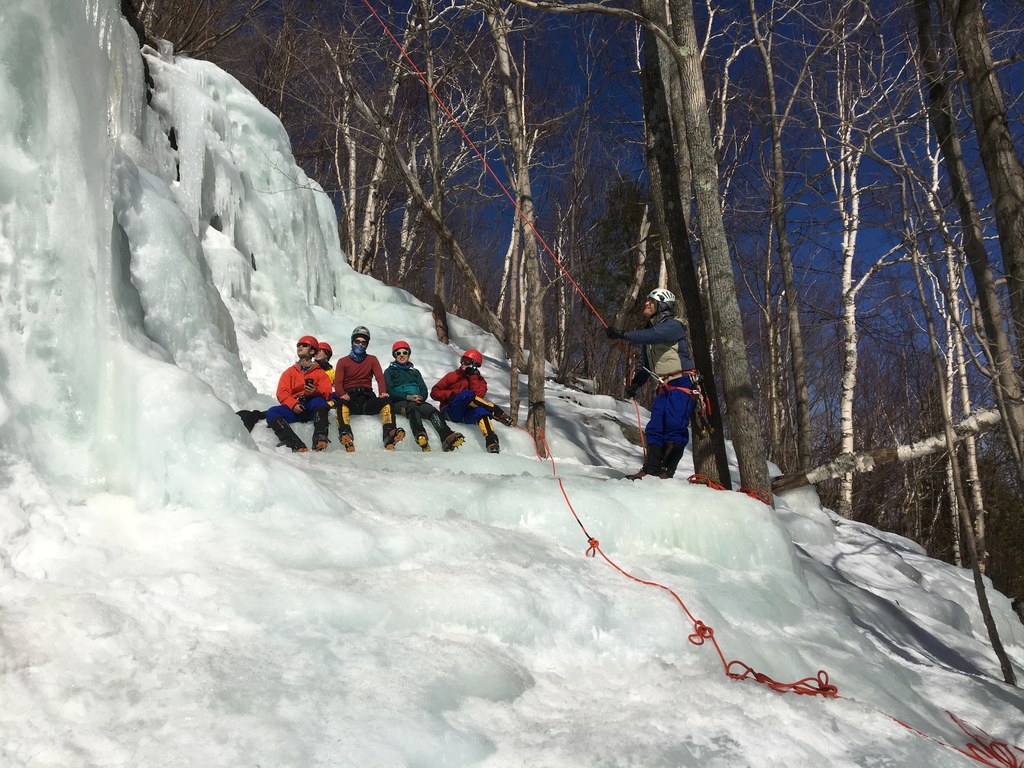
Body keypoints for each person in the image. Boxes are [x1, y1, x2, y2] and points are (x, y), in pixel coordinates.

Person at [605, 288, 696, 480]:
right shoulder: (651, 332)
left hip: (682, 383)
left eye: (651, 301)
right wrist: (637, 383)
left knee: (674, 427)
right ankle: (651, 469)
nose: (646, 303)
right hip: (664, 387)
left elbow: (654, 335)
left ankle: (666, 471)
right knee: (654, 428)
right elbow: (647, 363)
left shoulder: (673, 326)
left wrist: (622, 334)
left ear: (662, 306)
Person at [384, 341, 465, 452]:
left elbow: (423, 389)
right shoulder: (389, 372)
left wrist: (421, 397)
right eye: (398, 353)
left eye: (405, 352)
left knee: (432, 411)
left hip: (417, 400)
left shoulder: (415, 372)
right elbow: (390, 391)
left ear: (408, 354)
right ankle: (420, 435)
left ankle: (446, 436)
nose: (402, 355)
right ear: (395, 355)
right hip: (399, 402)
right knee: (412, 409)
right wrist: (409, 397)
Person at [334, 325, 405, 451]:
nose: (360, 345)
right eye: (357, 342)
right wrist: (342, 394)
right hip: (351, 398)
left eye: (363, 343)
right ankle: (346, 434)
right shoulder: (342, 361)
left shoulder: (372, 359)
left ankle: (389, 433)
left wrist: (383, 392)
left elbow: (379, 378)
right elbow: (338, 383)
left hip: (367, 398)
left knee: (387, 402)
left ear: (366, 345)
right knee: (340, 404)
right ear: (352, 342)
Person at [430, 348, 512, 454]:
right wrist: (449, 395)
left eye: (467, 361)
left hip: (466, 414)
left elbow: (478, 395)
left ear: (475, 365)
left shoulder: (481, 382)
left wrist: (473, 376)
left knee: (482, 411)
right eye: (462, 359)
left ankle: (491, 441)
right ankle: (495, 411)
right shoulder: (452, 376)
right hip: (451, 411)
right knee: (466, 395)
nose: (463, 363)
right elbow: (434, 392)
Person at [264, 335, 334, 452]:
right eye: (298, 345)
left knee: (319, 401)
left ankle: (320, 438)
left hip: (312, 407)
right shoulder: (289, 372)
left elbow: (327, 392)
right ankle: (294, 443)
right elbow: (282, 392)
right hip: (296, 407)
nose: (300, 347)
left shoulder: (320, 373)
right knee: (272, 412)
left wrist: (315, 392)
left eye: (304, 345)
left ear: (312, 351)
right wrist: (293, 404)